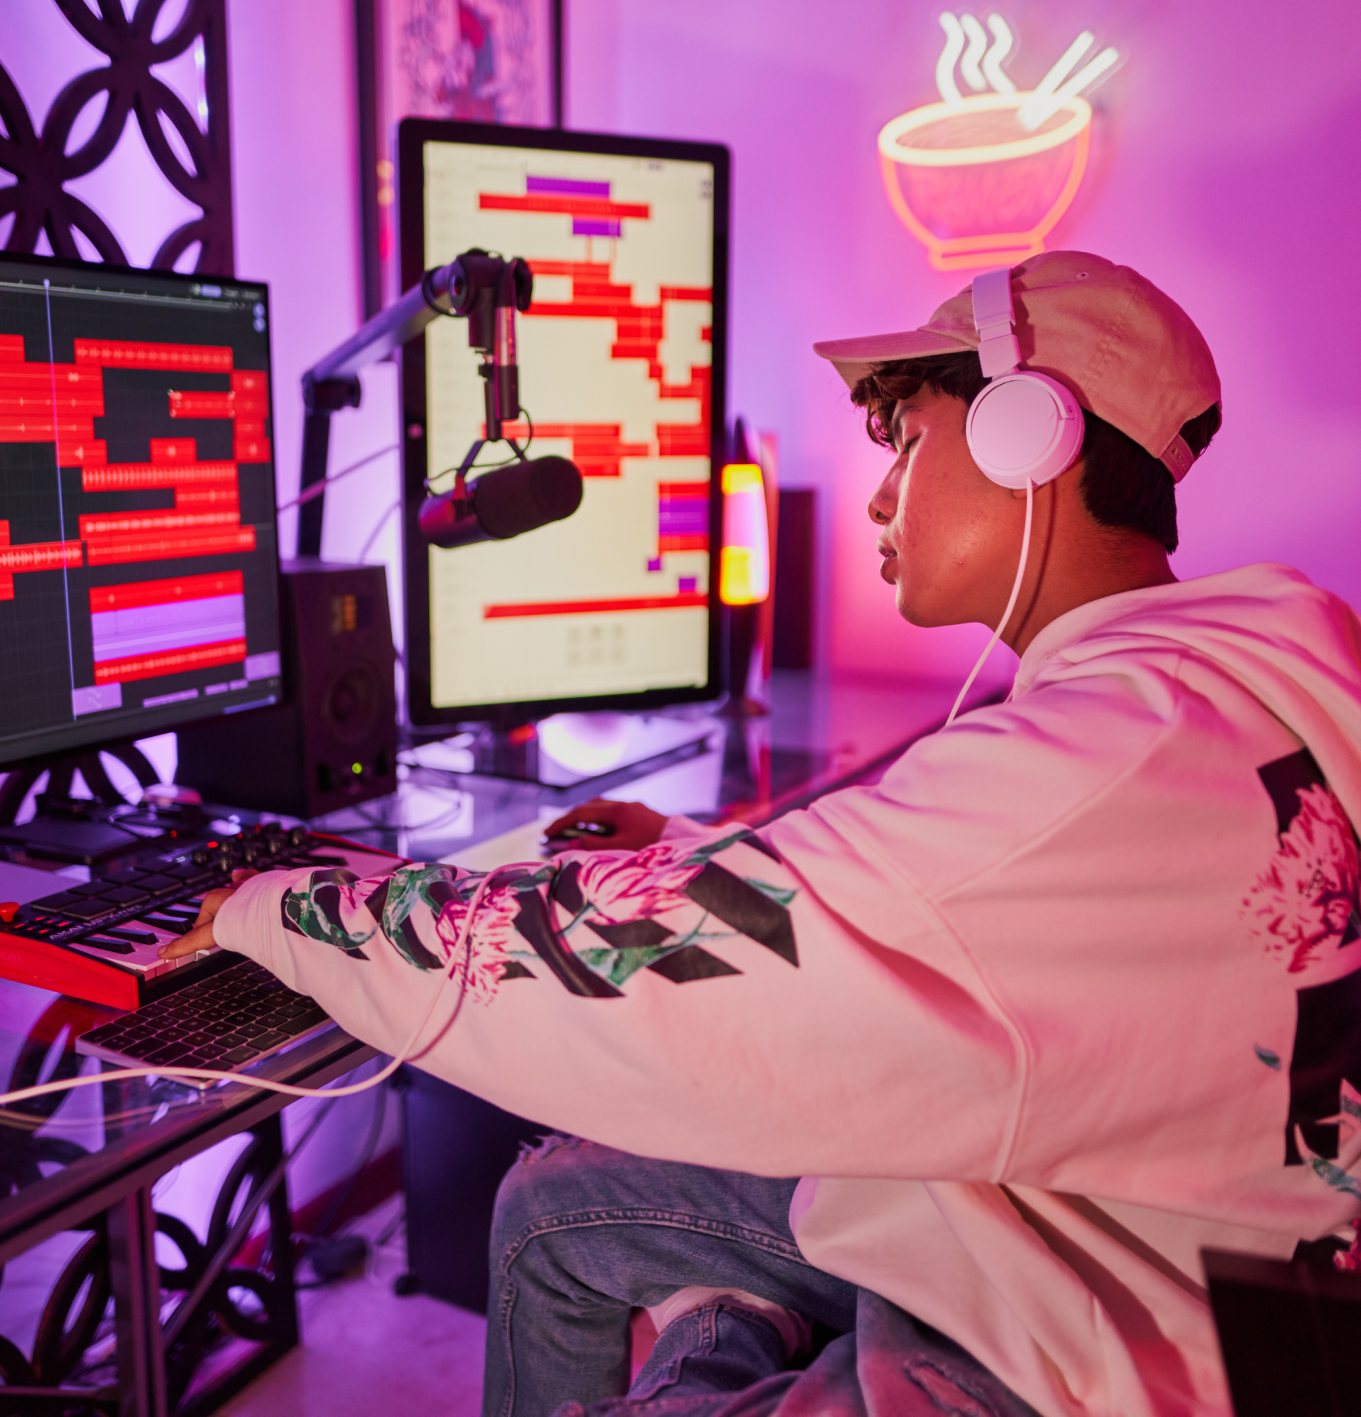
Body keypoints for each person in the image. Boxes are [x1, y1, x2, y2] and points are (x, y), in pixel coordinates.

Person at [164, 251, 1361, 1417]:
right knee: (554, 1202)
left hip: (1089, 1353)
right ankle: (726, 1322)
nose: (882, 492)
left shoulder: (1094, 761)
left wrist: (279, 902)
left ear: (1024, 436)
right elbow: (983, 911)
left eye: (906, 440)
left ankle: (718, 1334)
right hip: (1165, 1248)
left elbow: (613, 980)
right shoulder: (1260, 669)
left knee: (628, 1189)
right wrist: (690, 854)